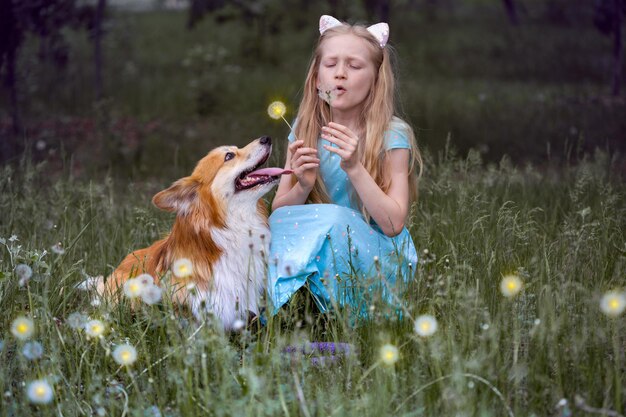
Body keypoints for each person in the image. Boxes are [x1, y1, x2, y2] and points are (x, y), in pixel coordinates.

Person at [267, 15, 422, 318]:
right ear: (316, 78)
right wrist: (303, 185)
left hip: (376, 262)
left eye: (353, 66)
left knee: (335, 218)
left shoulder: (393, 135)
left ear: (376, 79)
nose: (340, 74)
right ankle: (294, 311)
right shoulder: (304, 129)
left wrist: (355, 167)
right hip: (318, 252)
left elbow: (393, 225)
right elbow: (280, 216)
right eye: (330, 65)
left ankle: (315, 314)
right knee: (271, 227)